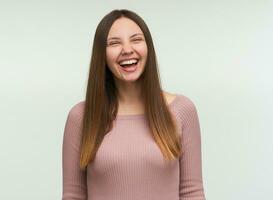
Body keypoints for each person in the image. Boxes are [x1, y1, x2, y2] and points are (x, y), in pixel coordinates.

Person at [62, 9, 206, 200]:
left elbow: (192, 193)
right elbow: (73, 195)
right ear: (101, 55)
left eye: (136, 39)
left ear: (148, 48)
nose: (127, 49)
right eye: (114, 43)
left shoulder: (182, 110)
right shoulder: (81, 117)